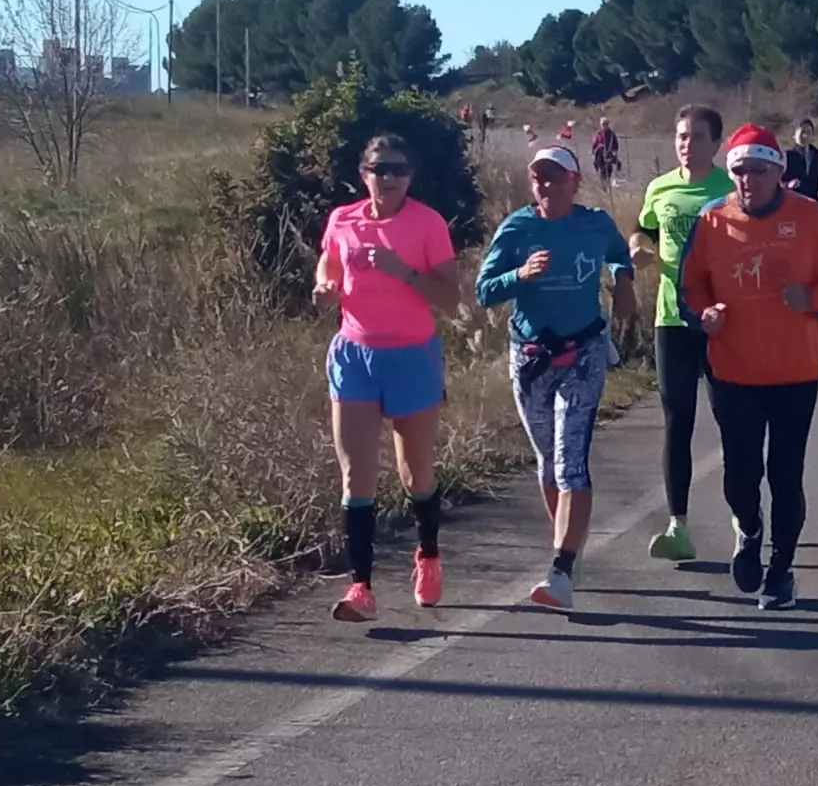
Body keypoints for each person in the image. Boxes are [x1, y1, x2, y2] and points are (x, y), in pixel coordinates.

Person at [678, 124, 818, 610]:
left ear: (779, 170)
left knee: (785, 473)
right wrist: (703, 316)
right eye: (739, 170)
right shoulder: (712, 220)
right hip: (734, 371)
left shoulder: (810, 219)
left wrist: (811, 298)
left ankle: (782, 571)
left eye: (758, 169)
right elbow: (689, 286)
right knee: (740, 474)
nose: (748, 179)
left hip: (795, 370)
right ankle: (750, 529)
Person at [476, 146, 638, 608]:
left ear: (574, 182)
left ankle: (561, 569)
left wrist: (623, 280)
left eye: (554, 177)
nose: (545, 185)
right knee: (548, 462)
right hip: (530, 359)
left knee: (571, 462)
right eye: (538, 178)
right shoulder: (518, 228)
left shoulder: (594, 223)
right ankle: (567, 548)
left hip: (583, 351)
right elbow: (483, 291)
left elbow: (617, 254)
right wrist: (520, 275)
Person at [312, 134, 462, 623]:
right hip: (355, 353)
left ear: (410, 176)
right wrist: (325, 285)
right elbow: (329, 263)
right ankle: (361, 588)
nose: (390, 178)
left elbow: (449, 297)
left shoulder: (427, 224)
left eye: (399, 169)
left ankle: (429, 554)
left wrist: (404, 273)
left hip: (411, 355)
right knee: (356, 474)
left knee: (414, 472)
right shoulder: (343, 219)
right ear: (365, 174)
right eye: (381, 169)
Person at [630, 104, 732, 562]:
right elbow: (642, 227)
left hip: (721, 323)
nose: (687, 143)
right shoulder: (661, 187)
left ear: (716, 143)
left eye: (696, 136)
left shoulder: (730, 190)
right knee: (678, 423)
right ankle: (679, 526)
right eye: (681, 136)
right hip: (672, 319)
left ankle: (742, 518)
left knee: (734, 423)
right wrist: (637, 246)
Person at [783, 117, 818, 206]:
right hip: (790, 206)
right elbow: (775, 183)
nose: (805, 136)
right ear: (794, 135)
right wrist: (788, 185)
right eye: (802, 132)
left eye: (808, 132)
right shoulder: (786, 156)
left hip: (812, 206)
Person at [591, 117, 621, 187]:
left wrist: (614, 151)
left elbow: (615, 144)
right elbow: (595, 143)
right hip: (600, 154)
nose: (604, 126)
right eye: (603, 124)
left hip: (609, 153)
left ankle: (608, 182)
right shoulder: (599, 133)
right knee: (601, 169)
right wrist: (593, 150)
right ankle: (603, 185)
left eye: (605, 124)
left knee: (609, 168)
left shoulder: (611, 134)